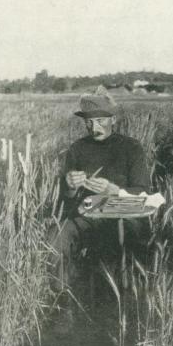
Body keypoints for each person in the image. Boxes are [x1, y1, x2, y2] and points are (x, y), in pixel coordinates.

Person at [49, 87, 151, 292]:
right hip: (88, 215)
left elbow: (143, 194)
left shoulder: (132, 148)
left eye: (100, 121)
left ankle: (122, 296)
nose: (94, 127)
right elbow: (66, 202)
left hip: (125, 214)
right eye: (89, 122)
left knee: (118, 240)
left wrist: (113, 190)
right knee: (57, 235)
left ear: (113, 119)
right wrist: (69, 185)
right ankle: (62, 296)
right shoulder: (77, 149)